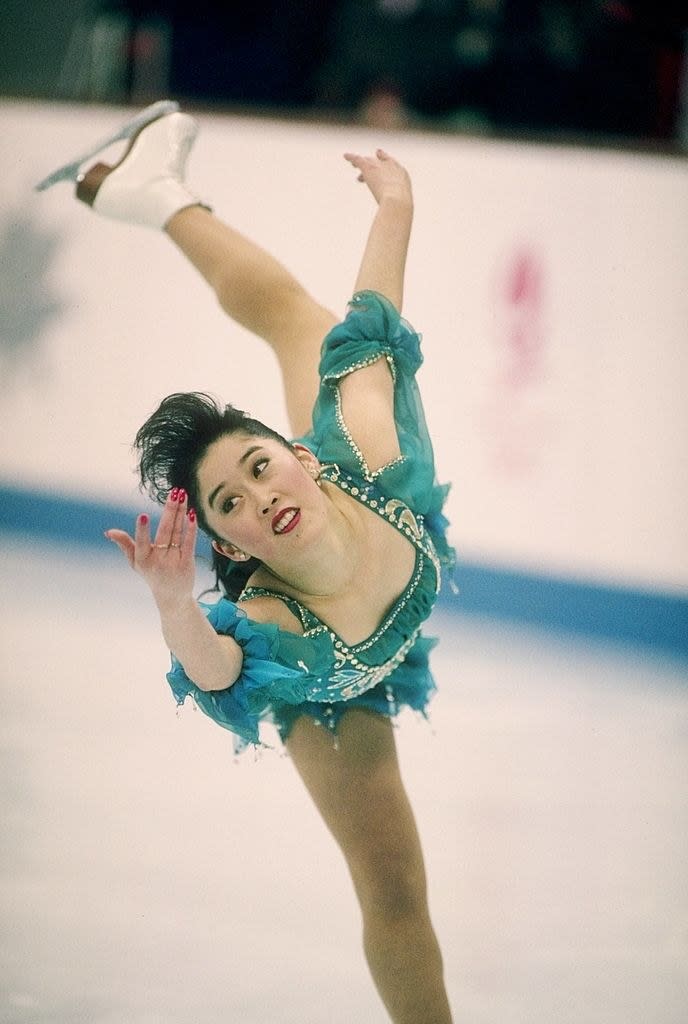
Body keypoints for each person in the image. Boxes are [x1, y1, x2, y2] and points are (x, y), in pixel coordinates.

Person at [38, 102, 455, 1024]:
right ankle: (153, 194)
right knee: (393, 890)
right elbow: (217, 668)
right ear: (228, 544)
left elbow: (375, 317)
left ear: (301, 455)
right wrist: (172, 606)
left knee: (302, 322)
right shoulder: (277, 624)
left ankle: (154, 193)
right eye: (231, 503)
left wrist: (396, 204)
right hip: (336, 692)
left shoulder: (362, 445)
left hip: (354, 484)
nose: (260, 496)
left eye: (261, 467)